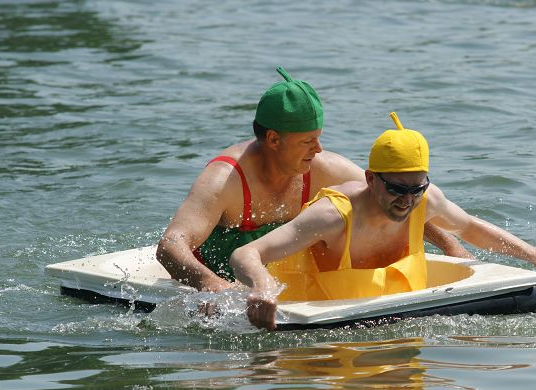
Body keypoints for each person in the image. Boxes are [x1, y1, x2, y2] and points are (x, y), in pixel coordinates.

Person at [231, 112, 536, 331]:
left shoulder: (423, 200)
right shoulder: (332, 216)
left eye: (417, 189)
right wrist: (262, 287)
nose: (408, 200)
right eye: (397, 188)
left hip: (393, 310)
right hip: (320, 320)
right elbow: (245, 255)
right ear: (370, 179)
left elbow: (471, 228)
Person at [156, 67, 468, 292]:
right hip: (220, 284)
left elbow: (391, 198)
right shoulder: (225, 180)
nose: (318, 149)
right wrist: (211, 285)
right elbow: (170, 245)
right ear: (274, 139)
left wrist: (451, 247)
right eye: (308, 141)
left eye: (319, 138)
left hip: (284, 286)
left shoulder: (322, 168)